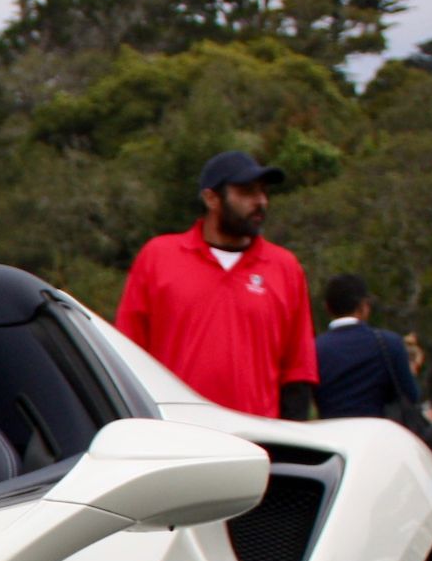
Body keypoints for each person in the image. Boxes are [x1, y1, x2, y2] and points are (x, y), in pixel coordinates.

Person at [113, 151, 317, 419]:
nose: (261, 202)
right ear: (211, 198)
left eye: (264, 192)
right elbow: (125, 356)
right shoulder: (157, 257)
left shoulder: (285, 267)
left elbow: (298, 369)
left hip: (256, 440)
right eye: (247, 192)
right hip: (176, 435)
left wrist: (290, 449)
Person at [313, 273, 429, 431]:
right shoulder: (388, 343)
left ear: (327, 307)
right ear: (364, 306)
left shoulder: (314, 348)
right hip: (378, 436)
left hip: (331, 435)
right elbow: (411, 395)